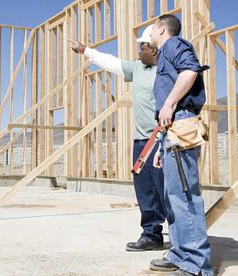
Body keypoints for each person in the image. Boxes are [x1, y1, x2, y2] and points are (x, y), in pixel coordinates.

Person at [69, 25, 167, 251]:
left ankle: (182, 239)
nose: (138, 51)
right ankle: (151, 235)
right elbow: (112, 62)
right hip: (141, 141)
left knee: (166, 190)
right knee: (145, 190)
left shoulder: (167, 70)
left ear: (153, 49)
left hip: (161, 141)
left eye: (142, 47)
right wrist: (86, 51)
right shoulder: (138, 68)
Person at [149, 14, 213, 276]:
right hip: (171, 131)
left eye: (152, 30)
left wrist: (169, 103)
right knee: (172, 197)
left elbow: (190, 70)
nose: (150, 35)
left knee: (185, 197)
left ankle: (196, 264)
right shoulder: (164, 53)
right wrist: (160, 144)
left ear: (162, 29)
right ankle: (179, 253)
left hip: (181, 124)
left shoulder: (174, 45)